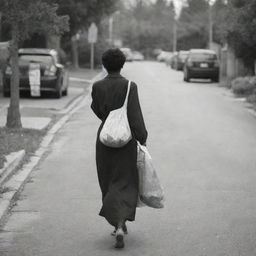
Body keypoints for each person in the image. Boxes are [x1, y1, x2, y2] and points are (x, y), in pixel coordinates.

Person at [91, 48, 148, 249]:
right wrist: (142, 138)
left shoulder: (97, 86)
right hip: (126, 142)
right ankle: (122, 223)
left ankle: (117, 224)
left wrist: (109, 121)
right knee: (125, 181)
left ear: (104, 65)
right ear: (122, 64)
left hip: (105, 140)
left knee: (107, 180)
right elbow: (134, 115)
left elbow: (96, 109)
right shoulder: (130, 86)